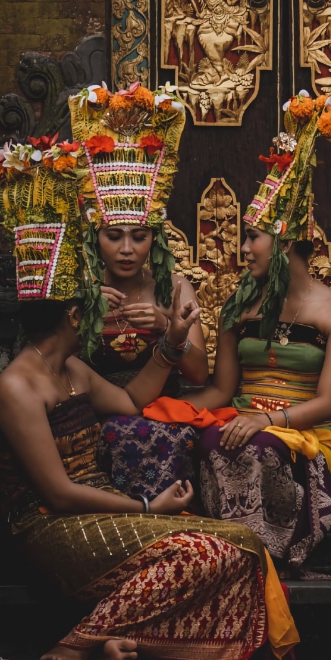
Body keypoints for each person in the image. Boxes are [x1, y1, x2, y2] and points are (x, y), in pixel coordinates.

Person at [0, 144, 298, 660]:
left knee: (242, 547)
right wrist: (150, 508)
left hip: (103, 504)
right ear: (78, 312)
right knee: (205, 552)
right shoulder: (18, 386)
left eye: (139, 235)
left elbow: (131, 400)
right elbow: (57, 495)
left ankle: (120, 638)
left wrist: (171, 340)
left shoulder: (72, 370)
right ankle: (76, 641)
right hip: (51, 528)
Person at [176, 92, 331, 575]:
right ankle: (233, 553)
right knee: (210, 441)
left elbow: (328, 403)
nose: (244, 248)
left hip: (306, 430)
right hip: (242, 418)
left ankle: (276, 550)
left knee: (260, 447)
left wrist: (267, 420)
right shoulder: (240, 306)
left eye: (253, 237)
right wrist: (170, 408)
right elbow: (221, 389)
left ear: (286, 241)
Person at [69, 81, 208, 500]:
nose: (127, 249)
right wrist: (87, 317)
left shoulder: (173, 286)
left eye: (139, 236)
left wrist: (170, 327)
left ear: (155, 239)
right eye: (114, 236)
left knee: (158, 433)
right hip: (98, 411)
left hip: (163, 414)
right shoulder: (80, 289)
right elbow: (57, 367)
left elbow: (200, 374)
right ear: (97, 236)